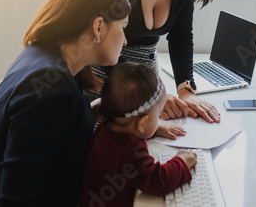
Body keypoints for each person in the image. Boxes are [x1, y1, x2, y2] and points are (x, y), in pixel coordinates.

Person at [0, 0, 131, 206]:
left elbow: (61, 130)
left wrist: (117, 109)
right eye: (123, 27)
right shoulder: (51, 91)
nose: (125, 40)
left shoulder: (43, 58)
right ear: (99, 26)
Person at [79, 62, 197, 206]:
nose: (158, 120)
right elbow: (158, 180)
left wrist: (156, 129)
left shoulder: (106, 125)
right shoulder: (131, 152)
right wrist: (182, 162)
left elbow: (131, 129)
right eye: (157, 115)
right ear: (142, 124)